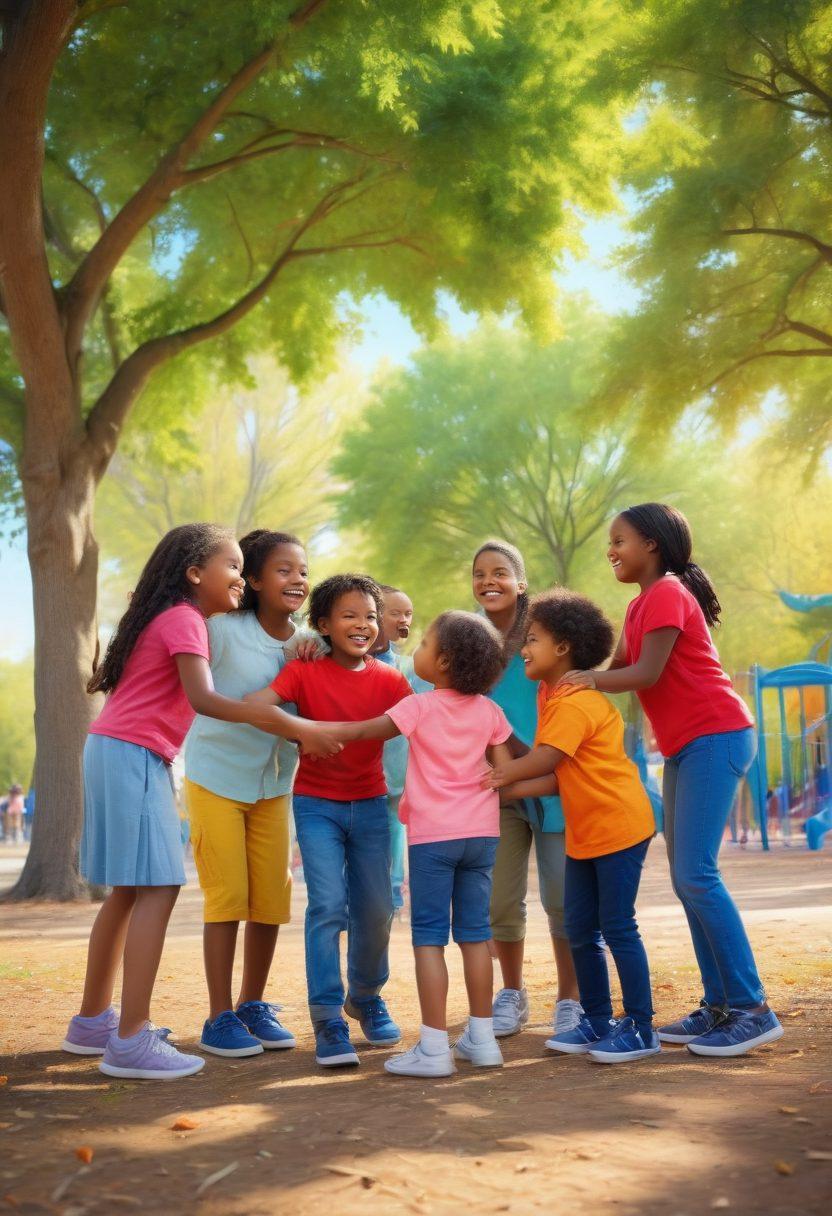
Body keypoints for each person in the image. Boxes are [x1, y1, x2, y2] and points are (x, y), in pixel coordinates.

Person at [61, 524, 339, 1081]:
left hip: (119, 751)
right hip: (133, 754)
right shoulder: (188, 620)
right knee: (159, 888)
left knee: (128, 891)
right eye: (233, 567)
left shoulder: (177, 618)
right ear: (195, 573)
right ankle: (131, 1039)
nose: (240, 577)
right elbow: (205, 699)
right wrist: (290, 723)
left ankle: (93, 1023)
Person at [559, 502, 783, 1057]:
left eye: (620, 540)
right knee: (689, 880)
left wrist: (585, 679)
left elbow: (644, 675)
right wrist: (560, 671)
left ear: (652, 545)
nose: (611, 550)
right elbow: (616, 672)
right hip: (689, 746)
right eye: (609, 542)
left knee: (697, 875)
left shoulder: (666, 594)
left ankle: (752, 1008)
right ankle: (721, 1004)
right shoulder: (640, 605)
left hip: (717, 735)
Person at [326, 611, 512, 1077]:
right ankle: (483, 1039)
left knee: (429, 939)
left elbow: (370, 730)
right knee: (474, 936)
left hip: (434, 837)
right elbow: (504, 770)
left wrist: (325, 732)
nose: (418, 650)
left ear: (444, 661)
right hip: (482, 834)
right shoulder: (490, 710)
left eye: (425, 643)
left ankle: (433, 1047)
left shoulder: (420, 705)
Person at [245, 573, 412, 1068]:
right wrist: (300, 729)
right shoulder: (303, 672)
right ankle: (327, 1018)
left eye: (370, 616)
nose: (363, 625)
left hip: (371, 805)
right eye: (349, 615)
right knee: (328, 906)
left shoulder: (390, 679)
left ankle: (364, 996)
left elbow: (428, 720)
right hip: (316, 804)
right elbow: (256, 707)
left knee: (378, 907)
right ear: (323, 624)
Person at [486, 589, 660, 1063]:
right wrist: (504, 791)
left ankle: (641, 1028)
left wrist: (501, 774)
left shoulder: (576, 701)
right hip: (586, 831)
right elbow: (557, 777)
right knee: (580, 927)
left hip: (619, 827)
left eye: (533, 639)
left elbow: (547, 759)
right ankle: (596, 1021)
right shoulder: (551, 695)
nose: (523, 648)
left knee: (617, 927)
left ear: (563, 648)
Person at [184, 529, 312, 1059]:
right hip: (216, 778)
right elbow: (188, 680)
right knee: (228, 896)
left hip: (274, 786)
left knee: (269, 900)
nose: (297, 579)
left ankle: (251, 1004)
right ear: (254, 580)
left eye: (303, 571)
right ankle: (218, 1017)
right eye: (283, 570)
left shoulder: (309, 641)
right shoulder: (220, 630)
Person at [472, 541, 581, 1038]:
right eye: (479, 574)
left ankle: (571, 997)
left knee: (562, 897)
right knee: (498, 899)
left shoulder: (545, 632)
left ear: (521, 580)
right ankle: (511, 992)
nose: (488, 581)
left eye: (499, 572)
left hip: (553, 779)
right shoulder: (467, 638)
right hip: (495, 788)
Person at [371, 585, 431, 915]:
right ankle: (367, 892)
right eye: (396, 612)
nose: (404, 619)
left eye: (408, 613)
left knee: (395, 826)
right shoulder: (349, 660)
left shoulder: (411, 666)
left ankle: (393, 891)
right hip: (360, 769)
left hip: (398, 766)